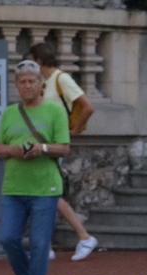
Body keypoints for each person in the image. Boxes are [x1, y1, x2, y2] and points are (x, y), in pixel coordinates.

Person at [0, 59, 71, 275]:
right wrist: (14, 150)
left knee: (39, 243)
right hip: (13, 188)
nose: (27, 86)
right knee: (8, 238)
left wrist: (43, 148)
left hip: (44, 189)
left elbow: (65, 148)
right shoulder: (10, 113)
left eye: (32, 81)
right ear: (17, 85)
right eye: (22, 82)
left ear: (41, 85)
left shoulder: (54, 111)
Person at [29, 43, 99, 261]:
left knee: (49, 194)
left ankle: (83, 236)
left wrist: (74, 131)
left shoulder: (61, 79)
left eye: (33, 62)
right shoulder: (45, 83)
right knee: (45, 193)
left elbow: (87, 106)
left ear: (39, 61)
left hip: (53, 146)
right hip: (44, 145)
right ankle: (48, 244)